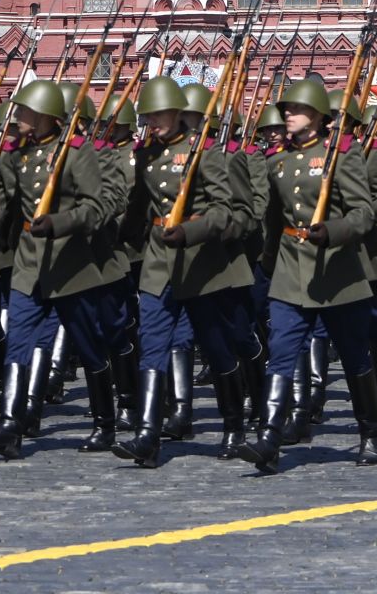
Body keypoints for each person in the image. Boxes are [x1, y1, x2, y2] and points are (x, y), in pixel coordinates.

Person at [233, 78, 377, 474]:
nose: (287, 115)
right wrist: (265, 263)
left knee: (354, 356)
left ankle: (371, 432)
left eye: (296, 109)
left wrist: (333, 231)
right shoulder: (277, 160)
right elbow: (271, 218)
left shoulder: (342, 155)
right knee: (281, 355)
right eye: (286, 109)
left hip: (336, 271)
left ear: (318, 116)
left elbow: (363, 213)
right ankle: (269, 436)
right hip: (289, 271)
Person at [0, 79, 132, 460]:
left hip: (71, 261)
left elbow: (98, 206)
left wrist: (61, 223)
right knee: (18, 341)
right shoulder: (19, 154)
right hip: (30, 260)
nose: (17, 118)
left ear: (46, 117)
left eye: (25, 112)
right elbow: (5, 201)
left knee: (90, 344)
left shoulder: (77, 154)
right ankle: (11, 424)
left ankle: (105, 423)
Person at [111, 76, 251, 466]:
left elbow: (225, 210)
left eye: (158, 115)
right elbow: (139, 201)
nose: (151, 122)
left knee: (216, 345)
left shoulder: (204, 152)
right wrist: (122, 239)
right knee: (152, 343)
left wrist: (190, 231)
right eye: (147, 116)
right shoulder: (149, 153)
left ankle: (234, 425)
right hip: (158, 260)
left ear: (177, 114)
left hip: (200, 261)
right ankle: (147, 435)